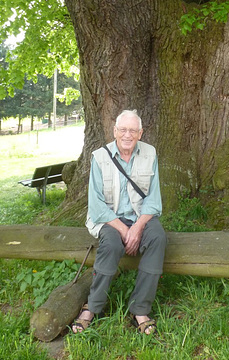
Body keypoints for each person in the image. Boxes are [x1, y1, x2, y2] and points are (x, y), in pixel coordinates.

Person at [72, 109, 167, 335]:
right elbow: (96, 206)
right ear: (115, 131)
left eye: (133, 130)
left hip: (140, 216)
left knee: (158, 238)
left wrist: (138, 227)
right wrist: (126, 230)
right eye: (123, 130)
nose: (127, 135)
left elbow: (153, 201)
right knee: (112, 245)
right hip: (110, 219)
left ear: (140, 133)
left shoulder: (150, 154)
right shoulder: (100, 157)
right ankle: (92, 307)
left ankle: (140, 309)